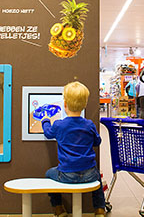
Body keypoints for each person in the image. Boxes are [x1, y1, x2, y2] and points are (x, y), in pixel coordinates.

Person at [42, 81, 106, 217]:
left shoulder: (59, 125)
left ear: (65, 104)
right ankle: (100, 209)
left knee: (48, 174)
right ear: (84, 105)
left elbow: (48, 133)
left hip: (66, 174)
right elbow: (97, 142)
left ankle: (58, 208)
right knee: (98, 181)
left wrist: (46, 121)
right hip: (90, 173)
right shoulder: (89, 124)